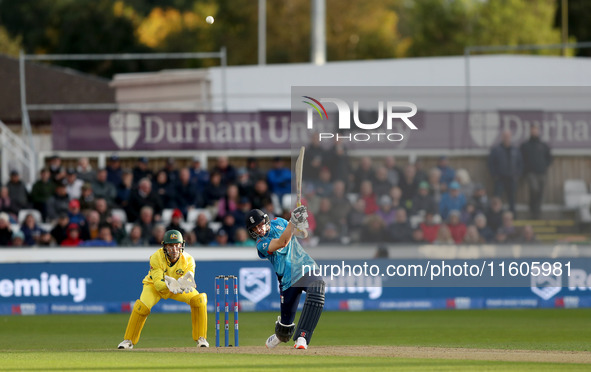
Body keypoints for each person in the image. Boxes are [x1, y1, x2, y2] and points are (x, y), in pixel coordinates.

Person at [246, 207, 324, 350]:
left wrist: (300, 223)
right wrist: (292, 222)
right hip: (288, 279)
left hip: (305, 266)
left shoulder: (280, 222)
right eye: (255, 228)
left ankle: (302, 337)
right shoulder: (261, 244)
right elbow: (282, 242)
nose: (258, 230)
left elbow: (302, 234)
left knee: (317, 291)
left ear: (265, 220)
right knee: (285, 330)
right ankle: (279, 336)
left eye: (259, 225)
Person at [118, 230, 208, 349]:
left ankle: (201, 338)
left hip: (178, 288)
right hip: (153, 287)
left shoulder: (189, 259)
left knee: (199, 300)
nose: (174, 249)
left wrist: (184, 283)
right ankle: (128, 340)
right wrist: (172, 285)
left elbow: (190, 280)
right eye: (171, 245)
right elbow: (159, 285)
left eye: (177, 245)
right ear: (164, 246)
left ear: (182, 245)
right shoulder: (156, 257)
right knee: (142, 307)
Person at [520, 125, 553, 219]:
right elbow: (521, 159)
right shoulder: (525, 145)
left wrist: (544, 166)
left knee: (540, 192)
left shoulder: (543, 145)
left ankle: (537, 211)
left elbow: (549, 158)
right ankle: (532, 207)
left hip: (542, 173)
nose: (534, 132)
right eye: (532, 130)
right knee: (534, 189)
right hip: (530, 173)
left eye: (536, 130)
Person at [488, 129, 523, 214]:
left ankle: (513, 216)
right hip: (500, 178)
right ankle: (496, 215)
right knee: (497, 199)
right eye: (505, 136)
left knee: (512, 199)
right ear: (502, 137)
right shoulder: (496, 150)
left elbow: (520, 163)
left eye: (508, 136)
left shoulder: (515, 150)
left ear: (511, 137)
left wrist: (517, 175)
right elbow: (490, 163)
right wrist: (494, 175)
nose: (507, 138)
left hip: (512, 178)